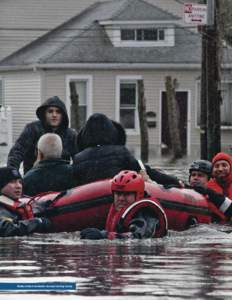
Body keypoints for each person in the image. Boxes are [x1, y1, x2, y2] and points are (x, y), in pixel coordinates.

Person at [73, 113, 182, 187]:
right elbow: (147, 171)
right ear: (112, 133)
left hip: (87, 205)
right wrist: (174, 180)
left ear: (85, 136)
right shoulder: (121, 153)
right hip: (118, 197)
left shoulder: (78, 159)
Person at [80, 170, 168, 240]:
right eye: (118, 194)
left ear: (139, 194)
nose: (121, 198)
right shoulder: (120, 210)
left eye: (127, 194)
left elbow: (139, 238)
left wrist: (104, 236)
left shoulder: (145, 212)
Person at [7, 96, 77, 174]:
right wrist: (13, 175)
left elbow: (78, 158)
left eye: (58, 112)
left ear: (63, 115)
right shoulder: (32, 129)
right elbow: (17, 152)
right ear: (44, 114)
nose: (54, 115)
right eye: (50, 111)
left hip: (62, 179)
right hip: (32, 178)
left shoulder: (70, 135)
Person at [0, 167, 51, 237]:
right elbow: (6, 229)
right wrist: (37, 222)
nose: (18, 186)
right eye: (12, 182)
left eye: (20, 182)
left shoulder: (19, 205)